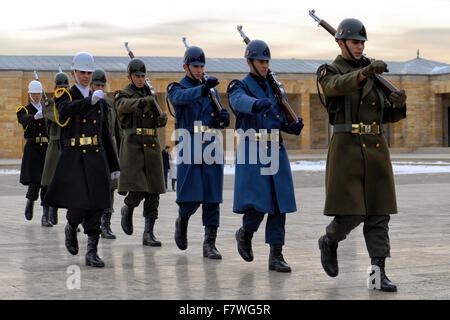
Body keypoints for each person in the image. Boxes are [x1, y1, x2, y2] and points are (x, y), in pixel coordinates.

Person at [316, 18, 407, 292]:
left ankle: (377, 277)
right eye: (355, 42)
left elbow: (385, 115)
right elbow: (336, 86)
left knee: (379, 214)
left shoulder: (374, 76)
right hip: (347, 150)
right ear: (341, 42)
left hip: (376, 148)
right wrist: (365, 73)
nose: (360, 46)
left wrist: (397, 105)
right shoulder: (329, 71)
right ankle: (329, 240)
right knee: (352, 212)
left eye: (362, 42)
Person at [227, 39, 303, 272]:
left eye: (267, 61)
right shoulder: (240, 86)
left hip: (275, 148)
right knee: (258, 203)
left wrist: (293, 125)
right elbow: (237, 101)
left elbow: (280, 118)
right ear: (249, 61)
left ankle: (276, 255)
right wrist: (255, 104)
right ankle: (245, 232)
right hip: (253, 148)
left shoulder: (274, 88)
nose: (264, 65)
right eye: (261, 61)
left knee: (280, 204)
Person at [44, 52, 120, 268]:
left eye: (89, 72)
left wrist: (114, 165)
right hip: (74, 157)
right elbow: (63, 115)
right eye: (82, 72)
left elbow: (105, 134)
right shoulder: (65, 96)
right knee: (78, 205)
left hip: (96, 157)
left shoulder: (100, 101)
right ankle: (71, 226)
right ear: (73, 73)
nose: (86, 76)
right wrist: (89, 101)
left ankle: (92, 252)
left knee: (97, 206)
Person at [167, 44, 230, 259]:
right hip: (189, 143)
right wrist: (203, 90)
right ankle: (182, 221)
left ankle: (209, 244)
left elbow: (219, 112)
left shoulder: (210, 89)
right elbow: (179, 100)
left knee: (212, 196)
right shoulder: (176, 87)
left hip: (211, 143)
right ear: (185, 66)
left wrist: (223, 118)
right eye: (195, 66)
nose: (199, 70)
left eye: (202, 66)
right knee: (189, 196)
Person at [115, 58, 168, 247]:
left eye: (142, 76)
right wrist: (142, 102)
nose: (140, 79)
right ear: (130, 76)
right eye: (137, 76)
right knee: (138, 188)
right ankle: (128, 207)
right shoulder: (124, 93)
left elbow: (158, 120)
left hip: (151, 145)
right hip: (134, 146)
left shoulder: (149, 94)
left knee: (154, 192)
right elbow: (122, 106)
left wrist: (160, 116)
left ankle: (148, 233)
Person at [91, 69, 121, 240]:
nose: (100, 88)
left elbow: (117, 131)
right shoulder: (86, 102)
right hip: (91, 151)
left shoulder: (110, 104)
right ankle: (89, 221)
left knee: (110, 188)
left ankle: (106, 224)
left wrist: (120, 155)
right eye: (97, 85)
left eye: (102, 85)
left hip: (109, 151)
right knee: (92, 188)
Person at [16, 80, 51, 227]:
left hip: (46, 148)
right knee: (35, 182)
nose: (36, 96)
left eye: (38, 93)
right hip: (33, 148)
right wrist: (34, 117)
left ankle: (45, 216)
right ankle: (30, 201)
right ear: (30, 95)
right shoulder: (23, 109)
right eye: (33, 94)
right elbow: (22, 120)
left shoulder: (46, 108)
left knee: (47, 183)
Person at [41, 70, 70, 225]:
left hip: (67, 144)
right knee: (48, 182)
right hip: (54, 144)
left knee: (70, 182)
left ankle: (71, 219)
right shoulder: (49, 104)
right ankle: (46, 214)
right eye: (60, 86)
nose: (63, 88)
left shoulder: (71, 102)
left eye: (65, 86)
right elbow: (55, 119)